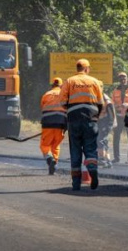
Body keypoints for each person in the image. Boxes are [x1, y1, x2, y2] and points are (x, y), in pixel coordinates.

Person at [59, 59, 104, 191]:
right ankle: (92, 170)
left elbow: (62, 102)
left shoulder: (69, 81)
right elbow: (101, 102)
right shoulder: (94, 81)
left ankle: (76, 183)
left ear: (78, 68)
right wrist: (96, 116)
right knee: (90, 148)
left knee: (75, 150)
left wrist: (71, 111)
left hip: (74, 120)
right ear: (87, 68)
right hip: (91, 119)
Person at [39, 77, 67, 175]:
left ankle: (50, 159)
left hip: (48, 124)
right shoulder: (65, 95)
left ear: (52, 85)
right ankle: (54, 163)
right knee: (56, 145)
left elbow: (42, 108)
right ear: (61, 86)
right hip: (60, 124)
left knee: (45, 145)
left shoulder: (46, 94)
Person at [111, 72, 128, 163]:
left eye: (124, 77)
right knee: (116, 137)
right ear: (119, 79)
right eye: (120, 77)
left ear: (127, 78)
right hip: (118, 117)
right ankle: (116, 158)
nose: (122, 79)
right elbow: (112, 104)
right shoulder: (115, 91)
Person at [97, 92, 116, 168]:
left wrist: (108, 127)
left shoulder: (107, 101)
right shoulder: (101, 99)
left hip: (105, 124)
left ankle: (102, 160)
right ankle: (108, 161)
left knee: (100, 141)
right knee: (104, 143)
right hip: (101, 123)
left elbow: (111, 116)